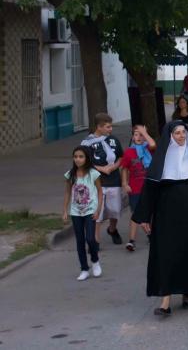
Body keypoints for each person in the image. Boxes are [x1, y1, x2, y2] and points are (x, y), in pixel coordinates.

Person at [132, 121, 188, 317]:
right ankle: (165, 300)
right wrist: (145, 216)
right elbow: (150, 189)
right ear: (170, 136)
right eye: (177, 133)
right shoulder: (161, 159)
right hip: (166, 216)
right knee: (166, 254)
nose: (181, 136)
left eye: (183, 133)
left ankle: (187, 293)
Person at [81, 113, 124, 245]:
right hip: (97, 182)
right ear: (99, 127)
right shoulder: (87, 143)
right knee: (97, 213)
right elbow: (84, 162)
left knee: (115, 210)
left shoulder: (113, 140)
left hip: (114, 180)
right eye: (108, 127)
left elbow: (121, 157)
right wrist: (102, 169)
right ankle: (95, 241)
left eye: (111, 126)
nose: (111, 129)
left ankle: (112, 229)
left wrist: (114, 166)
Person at [63, 146, 103, 281]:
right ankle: (84, 269)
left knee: (90, 238)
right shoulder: (70, 174)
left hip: (90, 210)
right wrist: (65, 210)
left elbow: (99, 191)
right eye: (75, 157)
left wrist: (98, 210)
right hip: (76, 212)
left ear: (87, 158)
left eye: (81, 157)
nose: (78, 159)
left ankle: (95, 260)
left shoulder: (93, 173)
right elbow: (68, 192)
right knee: (80, 241)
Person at [120, 125, 156, 251]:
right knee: (136, 214)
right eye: (136, 134)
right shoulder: (129, 152)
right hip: (134, 188)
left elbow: (153, 143)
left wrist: (144, 132)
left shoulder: (149, 149)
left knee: (149, 213)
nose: (139, 137)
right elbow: (124, 168)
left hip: (150, 187)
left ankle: (151, 234)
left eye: (141, 135)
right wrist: (125, 184)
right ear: (132, 137)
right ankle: (131, 241)